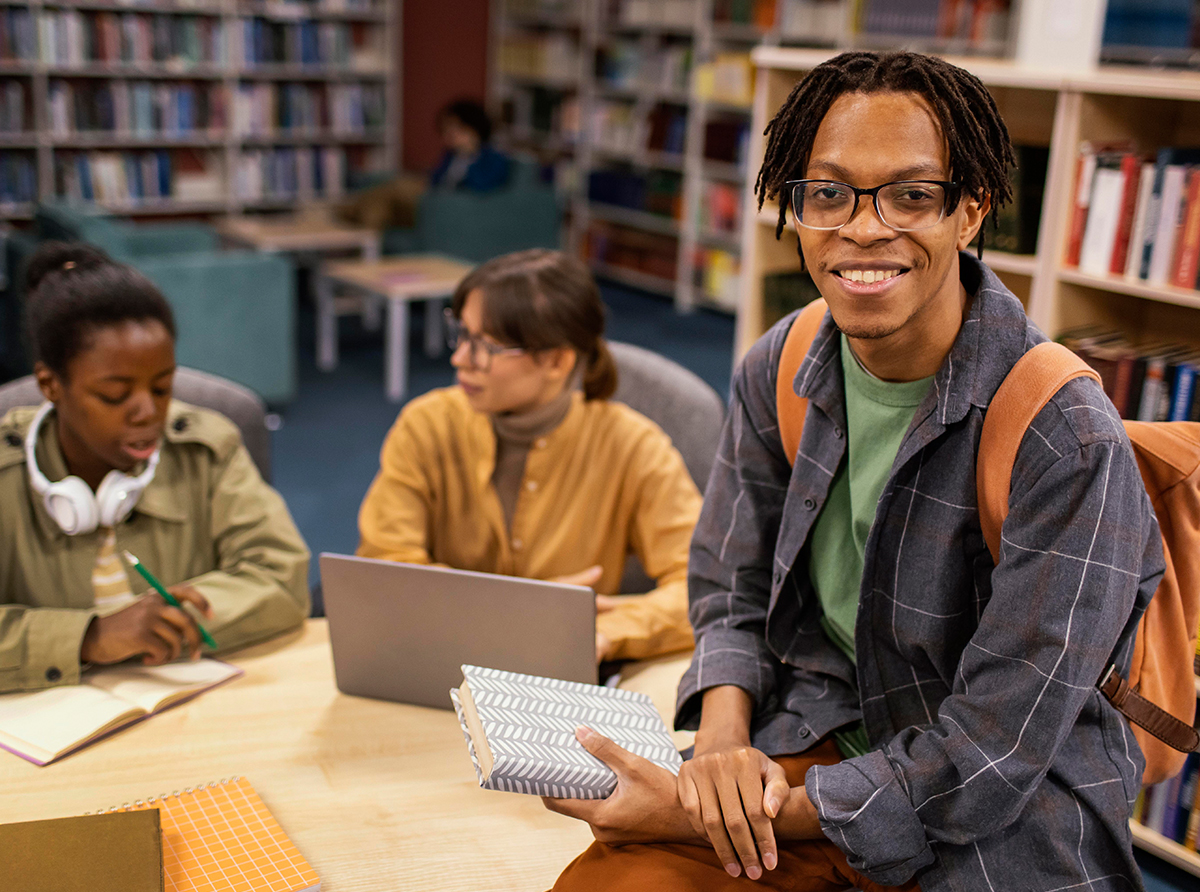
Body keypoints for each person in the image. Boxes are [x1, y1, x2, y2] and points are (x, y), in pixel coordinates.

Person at [543, 51, 1164, 891]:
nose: (863, 229)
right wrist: (721, 749)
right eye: (828, 193)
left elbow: (992, 752)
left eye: (911, 195)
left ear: (970, 211)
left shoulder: (1067, 437)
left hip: (997, 817)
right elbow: (730, 590)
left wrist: (734, 814)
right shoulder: (783, 361)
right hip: (819, 732)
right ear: (794, 207)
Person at [356, 248, 701, 663]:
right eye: (461, 334)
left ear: (556, 360)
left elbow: (705, 587)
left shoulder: (632, 445)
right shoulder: (427, 424)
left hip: (564, 663)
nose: (459, 358)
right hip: (441, 656)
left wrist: (609, 633)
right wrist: (524, 611)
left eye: (484, 346)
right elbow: (385, 566)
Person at [0, 242, 311, 693]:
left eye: (162, 388)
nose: (147, 412)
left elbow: (281, 576)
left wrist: (166, 624)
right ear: (50, 384)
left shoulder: (207, 447)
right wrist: (90, 637)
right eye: (114, 395)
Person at [337, 98, 511, 230]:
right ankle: (364, 235)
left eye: (455, 128)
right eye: (446, 129)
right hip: (432, 198)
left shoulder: (492, 158)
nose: (449, 134)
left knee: (397, 188)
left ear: (472, 128)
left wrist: (469, 156)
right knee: (385, 202)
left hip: (445, 206)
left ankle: (351, 212)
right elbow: (436, 178)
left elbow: (480, 188)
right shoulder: (451, 155)